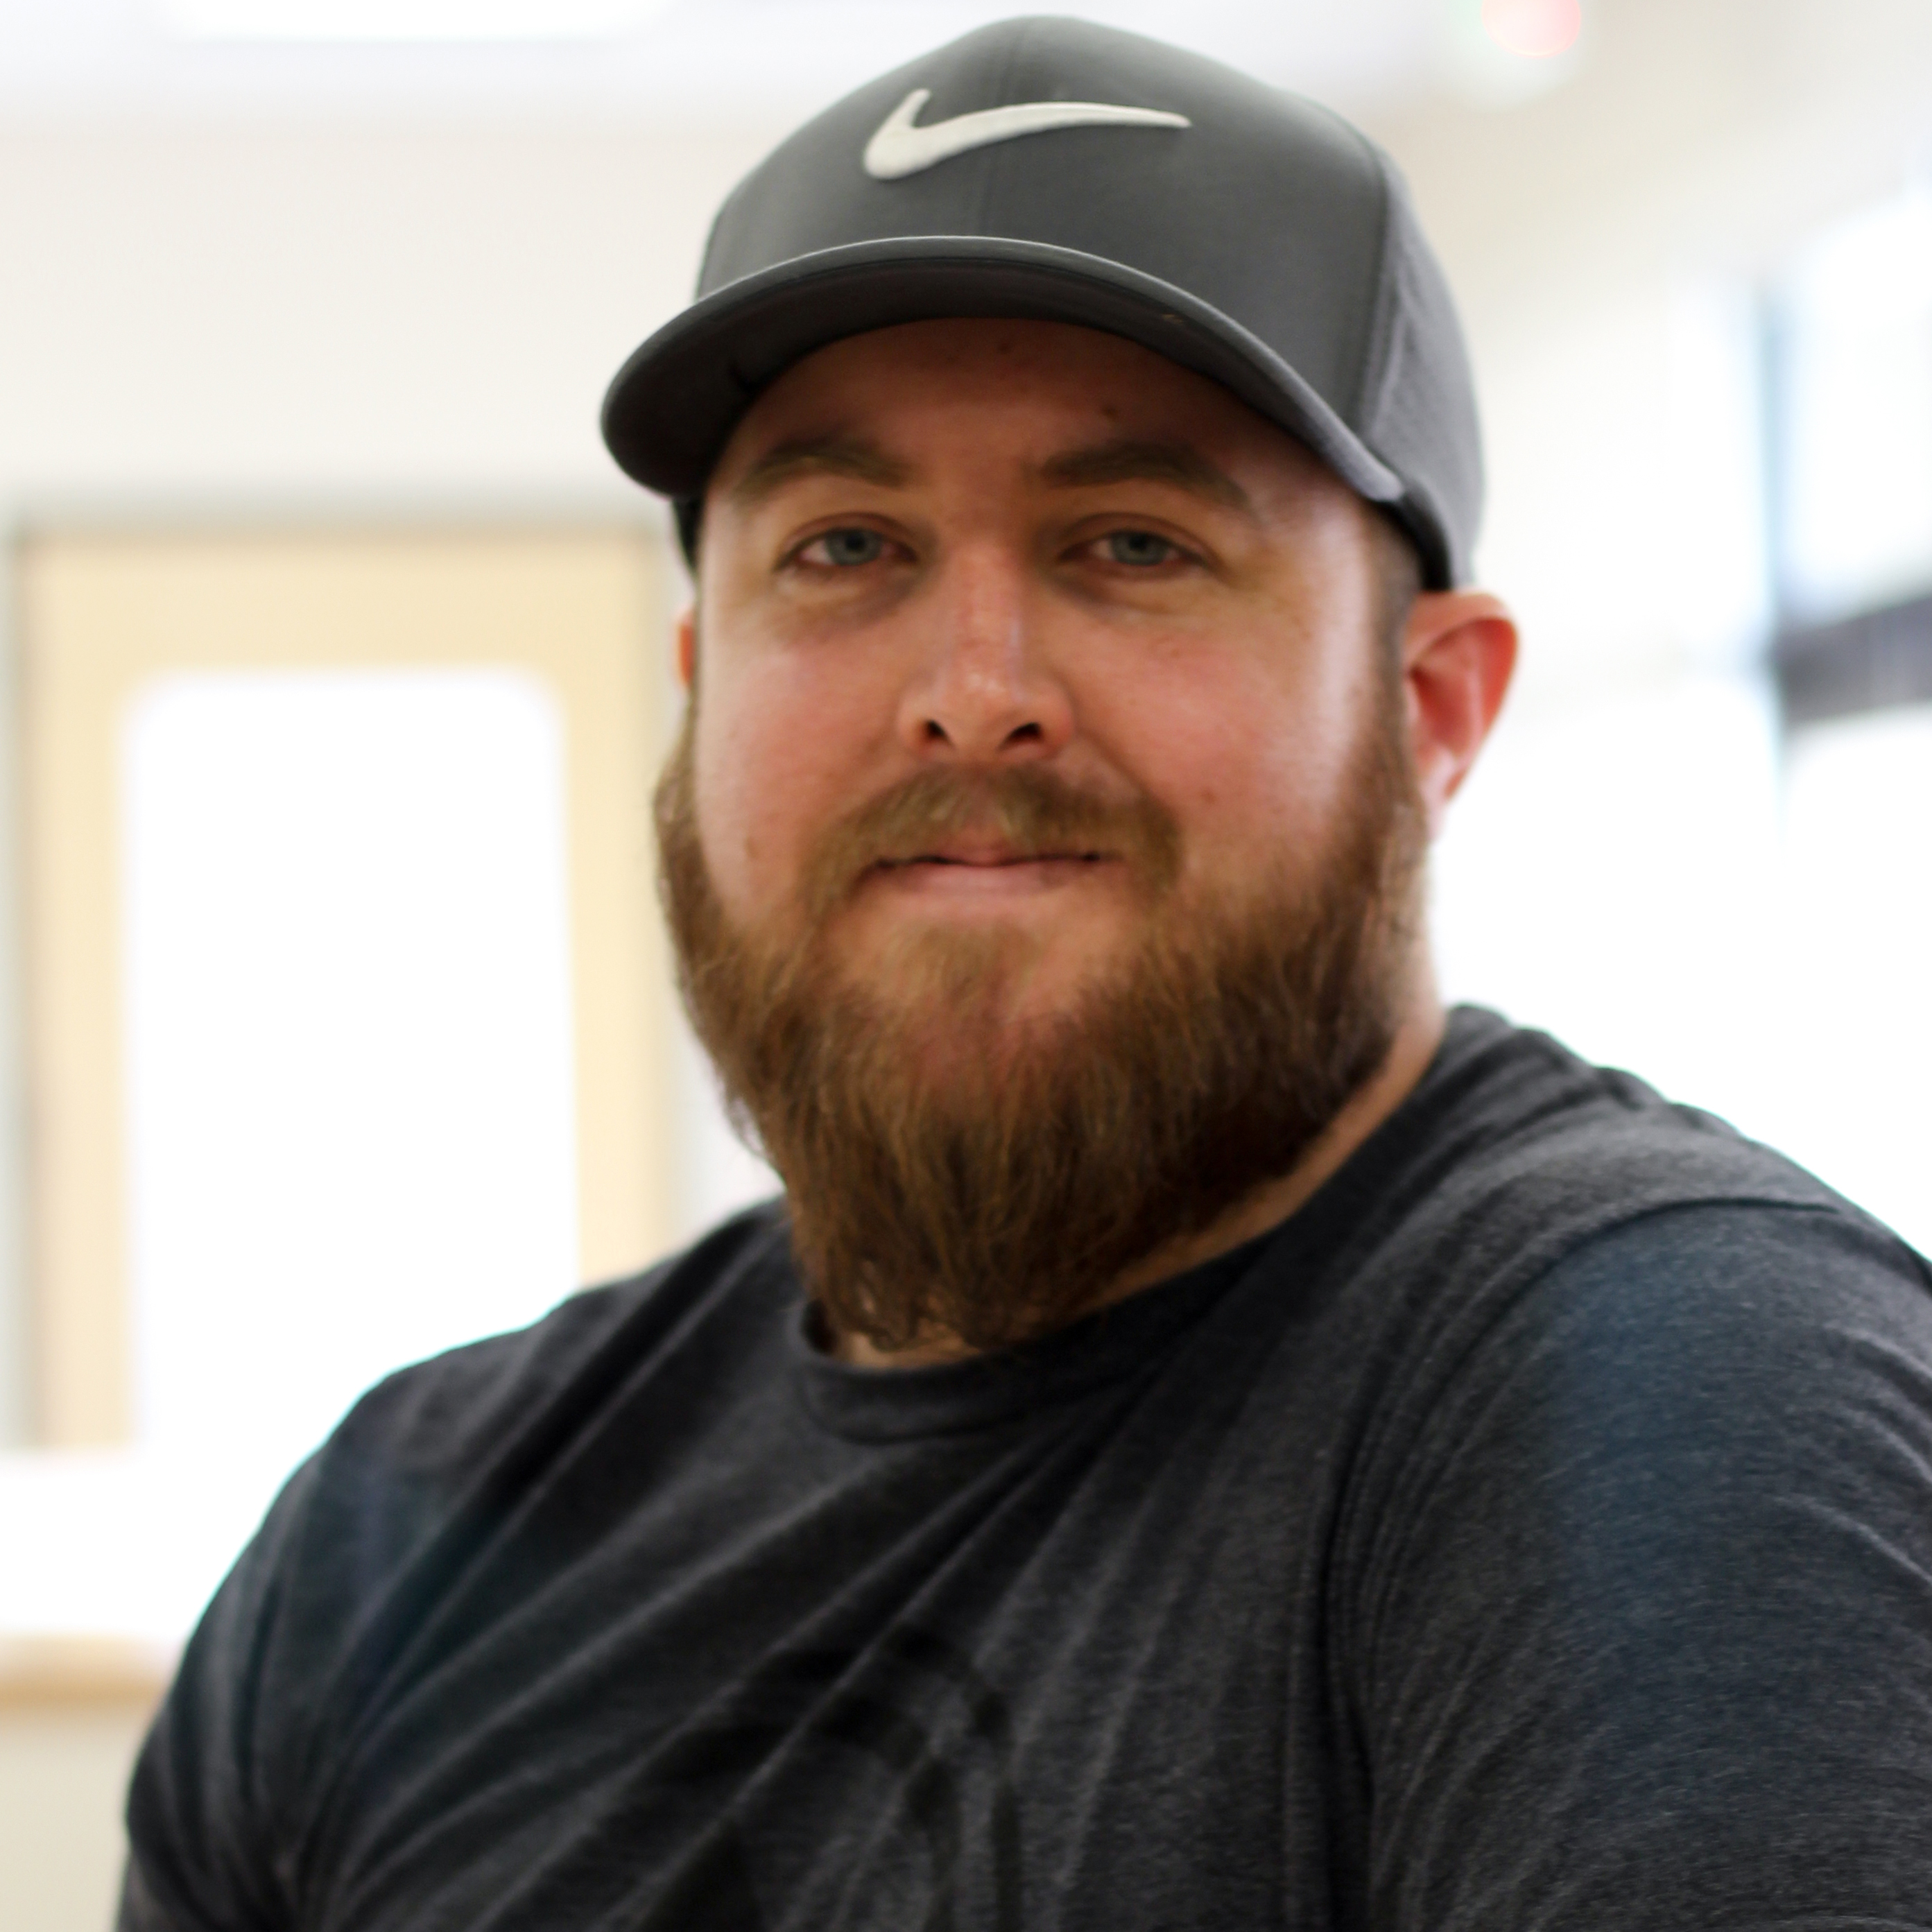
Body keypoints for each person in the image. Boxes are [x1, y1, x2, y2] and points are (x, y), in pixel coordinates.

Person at [121, 18, 1932, 1931]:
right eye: (843, 548)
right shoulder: (397, 1538)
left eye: (1132, 543)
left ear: (1430, 709)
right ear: (702, 694)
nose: (972, 696)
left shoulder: (1673, 1400)